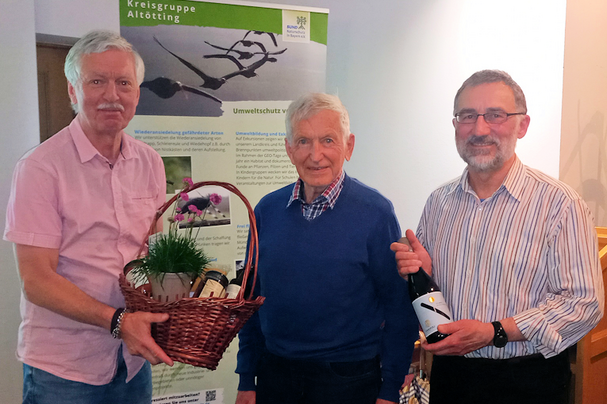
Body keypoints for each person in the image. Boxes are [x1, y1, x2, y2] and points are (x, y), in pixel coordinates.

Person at [391, 69, 605, 404]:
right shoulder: (438, 203)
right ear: (455, 125)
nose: (479, 129)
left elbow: (583, 304)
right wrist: (422, 276)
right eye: (467, 116)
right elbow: (429, 298)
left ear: (522, 125)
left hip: (529, 382)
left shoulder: (560, 205)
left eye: (495, 115)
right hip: (451, 377)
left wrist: (495, 332)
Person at [4, 30, 173, 404]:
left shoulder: (150, 162)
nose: (112, 95)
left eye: (123, 83)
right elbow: (36, 280)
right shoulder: (41, 168)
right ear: (72, 90)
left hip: (133, 362)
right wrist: (118, 322)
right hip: (64, 371)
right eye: (97, 81)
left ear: (137, 94)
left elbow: (153, 252)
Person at [235, 93, 418, 404]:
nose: (315, 155)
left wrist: (389, 390)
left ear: (349, 146)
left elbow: (398, 306)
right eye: (303, 141)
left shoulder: (375, 212)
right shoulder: (266, 210)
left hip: (348, 379)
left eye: (328, 140)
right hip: (275, 374)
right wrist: (246, 379)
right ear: (289, 149)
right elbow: (250, 300)